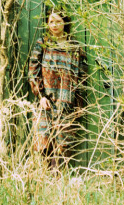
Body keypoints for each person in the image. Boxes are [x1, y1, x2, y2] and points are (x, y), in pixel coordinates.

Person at [29, 9, 87, 168]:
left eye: (58, 21)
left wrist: (79, 103)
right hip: (46, 101)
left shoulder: (74, 47)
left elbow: (82, 76)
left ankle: (58, 180)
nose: (54, 25)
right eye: (51, 21)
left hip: (66, 102)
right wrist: (41, 95)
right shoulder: (43, 43)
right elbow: (33, 70)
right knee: (44, 139)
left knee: (63, 143)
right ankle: (45, 176)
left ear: (65, 23)